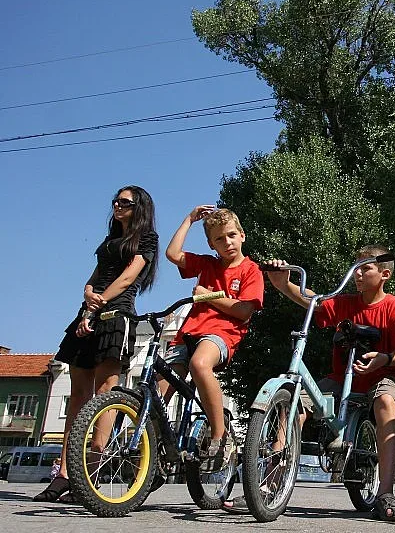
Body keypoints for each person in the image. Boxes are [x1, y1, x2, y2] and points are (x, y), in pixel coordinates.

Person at [259, 245, 395, 522]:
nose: (357, 273)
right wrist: (284, 285)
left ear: (384, 274)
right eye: (355, 267)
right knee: (294, 404)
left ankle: (386, 493)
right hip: (341, 378)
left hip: (385, 374)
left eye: (364, 268)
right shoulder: (344, 303)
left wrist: (384, 358)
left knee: (386, 402)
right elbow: (313, 301)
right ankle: (269, 483)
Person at [35, 186, 159, 503]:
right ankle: (64, 474)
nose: (117, 206)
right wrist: (88, 293)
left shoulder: (146, 239)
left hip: (116, 315)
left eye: (125, 202)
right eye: (115, 201)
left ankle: (89, 472)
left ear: (139, 208)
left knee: (105, 393)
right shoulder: (109, 241)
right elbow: (96, 275)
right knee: (77, 396)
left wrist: (99, 301)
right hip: (89, 313)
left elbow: (130, 277)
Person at [159, 206, 264, 470]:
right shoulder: (208, 264)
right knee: (159, 393)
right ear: (211, 244)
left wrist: (209, 295)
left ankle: (220, 435)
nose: (226, 242)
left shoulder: (251, 270)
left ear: (242, 235)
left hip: (221, 334)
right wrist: (189, 219)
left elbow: (243, 310)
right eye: (219, 239)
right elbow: (172, 254)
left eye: (231, 235)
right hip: (187, 334)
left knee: (200, 364)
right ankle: (154, 447)